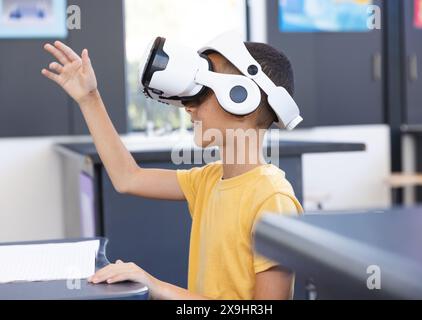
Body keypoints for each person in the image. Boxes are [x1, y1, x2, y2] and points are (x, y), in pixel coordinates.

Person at [41, 36, 303, 300]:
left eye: (201, 94)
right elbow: (127, 178)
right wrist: (90, 99)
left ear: (241, 97)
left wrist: (155, 286)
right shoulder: (209, 179)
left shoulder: (272, 200)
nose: (188, 107)